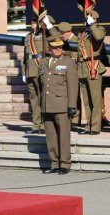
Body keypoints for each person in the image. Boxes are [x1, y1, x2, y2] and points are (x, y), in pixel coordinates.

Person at [39, 34, 78, 174]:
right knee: (51, 136)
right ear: (50, 47)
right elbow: (41, 85)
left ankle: (65, 164)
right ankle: (54, 163)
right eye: (55, 47)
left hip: (62, 105)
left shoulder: (68, 63)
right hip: (46, 104)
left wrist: (72, 105)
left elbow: (73, 86)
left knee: (63, 136)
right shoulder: (44, 62)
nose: (58, 49)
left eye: (60, 46)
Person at [77, 10, 107, 135]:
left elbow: (98, 38)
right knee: (87, 100)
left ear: (95, 19)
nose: (87, 20)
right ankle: (88, 125)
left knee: (95, 99)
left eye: (90, 18)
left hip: (92, 66)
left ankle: (95, 126)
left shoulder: (100, 30)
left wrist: (92, 25)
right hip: (83, 68)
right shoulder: (84, 33)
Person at [22, 16, 52, 134]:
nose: (33, 23)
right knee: (33, 99)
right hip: (30, 70)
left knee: (42, 97)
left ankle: (44, 125)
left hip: (40, 68)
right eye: (32, 21)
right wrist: (24, 71)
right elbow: (25, 56)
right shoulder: (28, 37)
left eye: (35, 21)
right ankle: (36, 124)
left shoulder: (44, 35)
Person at [57, 21, 81, 128]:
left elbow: (75, 58)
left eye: (62, 34)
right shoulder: (64, 41)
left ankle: (76, 120)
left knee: (74, 96)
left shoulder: (75, 41)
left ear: (67, 32)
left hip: (74, 72)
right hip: (64, 72)